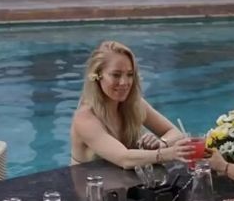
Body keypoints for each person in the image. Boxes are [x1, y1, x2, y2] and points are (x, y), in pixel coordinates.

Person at [70, 40, 194, 169]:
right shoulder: (85, 118)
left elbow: (175, 132)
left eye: (129, 74)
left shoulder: (134, 104)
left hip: (124, 180)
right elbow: (124, 159)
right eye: (116, 75)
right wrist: (168, 153)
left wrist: (161, 144)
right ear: (97, 76)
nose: (124, 82)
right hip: (90, 181)